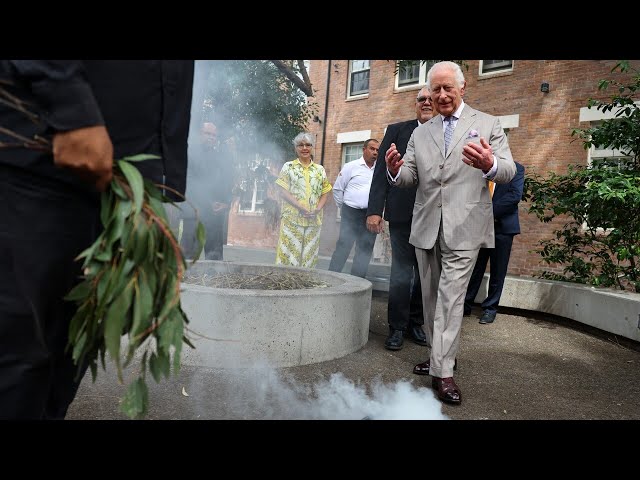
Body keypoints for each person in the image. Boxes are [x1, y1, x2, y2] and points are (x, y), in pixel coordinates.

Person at [0, 60, 194, 419]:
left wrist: (156, 176)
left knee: (62, 366)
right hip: (39, 154)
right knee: (17, 364)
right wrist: (69, 104)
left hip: (118, 185)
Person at [385, 61, 516, 405]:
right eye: (435, 90)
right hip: (427, 226)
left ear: (462, 88)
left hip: (466, 227)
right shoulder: (420, 131)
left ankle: (443, 373)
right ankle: (438, 355)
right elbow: (411, 175)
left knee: (451, 299)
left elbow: (508, 169)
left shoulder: (487, 124)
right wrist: (396, 172)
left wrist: (489, 164)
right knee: (429, 300)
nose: (441, 95)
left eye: (447, 88)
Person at [366, 87, 435, 351]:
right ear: (415, 104)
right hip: (402, 215)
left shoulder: (447, 131)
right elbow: (381, 173)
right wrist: (375, 210)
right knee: (401, 272)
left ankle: (415, 323)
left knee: (425, 274)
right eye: (422, 99)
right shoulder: (396, 130)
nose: (427, 102)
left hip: (433, 215)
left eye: (430, 99)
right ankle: (396, 327)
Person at [464, 161, 525, 324]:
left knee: (498, 270)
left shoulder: (516, 169)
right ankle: (465, 304)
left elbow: (514, 196)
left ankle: (490, 309)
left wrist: (486, 212)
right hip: (479, 226)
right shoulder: (479, 168)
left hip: (503, 227)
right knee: (475, 267)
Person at [275, 132, 332, 268]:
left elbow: (325, 192)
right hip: (292, 220)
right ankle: (285, 285)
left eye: (308, 145)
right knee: (289, 255)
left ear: (312, 147)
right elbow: (282, 191)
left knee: (309, 257)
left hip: (313, 220)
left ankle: (305, 286)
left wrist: (318, 209)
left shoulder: (320, 170)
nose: (304, 148)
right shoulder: (288, 167)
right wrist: (300, 207)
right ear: (296, 148)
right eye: (300, 145)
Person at [328, 138, 379, 278]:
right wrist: (344, 208)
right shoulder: (351, 166)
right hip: (351, 212)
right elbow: (338, 190)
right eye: (372, 149)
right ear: (364, 149)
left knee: (365, 249)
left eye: (377, 150)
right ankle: (331, 278)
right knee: (344, 246)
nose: (375, 152)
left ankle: (357, 282)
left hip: (370, 215)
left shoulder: (380, 170)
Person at [184, 121, 234, 260]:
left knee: (215, 258)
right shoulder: (190, 154)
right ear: (200, 134)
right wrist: (209, 202)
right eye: (207, 133)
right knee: (188, 256)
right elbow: (190, 182)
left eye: (214, 135)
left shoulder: (221, 158)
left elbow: (228, 182)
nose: (211, 137)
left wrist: (226, 203)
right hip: (194, 212)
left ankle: (213, 281)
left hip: (215, 214)